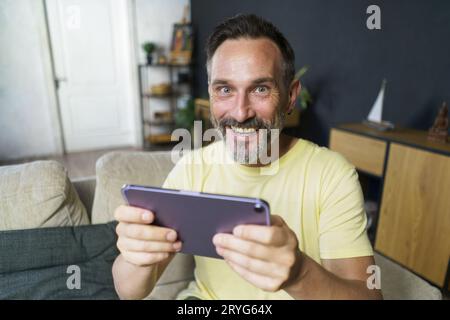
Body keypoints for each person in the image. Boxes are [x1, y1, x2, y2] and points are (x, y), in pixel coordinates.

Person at [112, 14, 383, 300]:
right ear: (211, 94)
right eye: (225, 89)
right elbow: (129, 292)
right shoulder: (192, 169)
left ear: (291, 95)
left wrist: (300, 273)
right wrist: (134, 257)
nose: (240, 113)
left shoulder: (332, 175)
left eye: (260, 89)